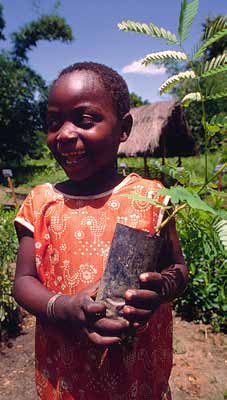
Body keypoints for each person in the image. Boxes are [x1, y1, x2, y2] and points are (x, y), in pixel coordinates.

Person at [13, 61, 188, 400]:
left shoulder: (151, 198)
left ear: (124, 129)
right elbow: (23, 281)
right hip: (67, 379)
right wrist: (63, 308)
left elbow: (178, 268)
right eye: (53, 123)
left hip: (139, 379)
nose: (64, 134)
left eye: (85, 120)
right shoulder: (41, 203)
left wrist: (160, 290)